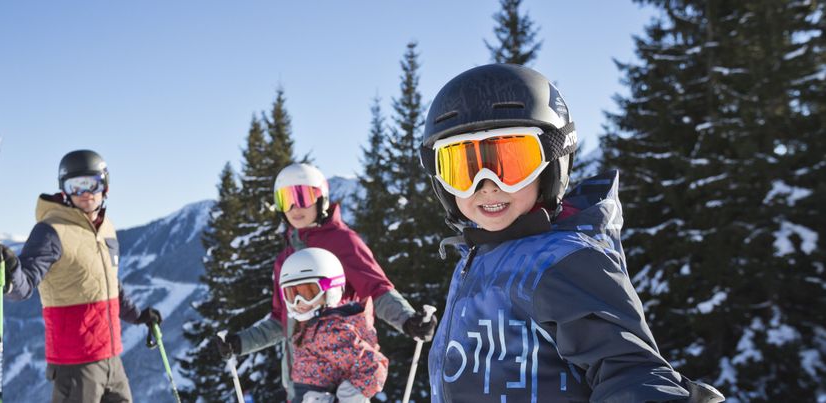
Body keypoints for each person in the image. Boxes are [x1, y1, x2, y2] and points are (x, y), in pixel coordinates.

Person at [418, 64, 725, 402]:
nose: (487, 185)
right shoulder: (477, 257)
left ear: (552, 163)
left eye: (512, 163)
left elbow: (628, 370)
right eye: (463, 168)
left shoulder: (563, 261)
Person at [210, 162, 438, 400]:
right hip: (300, 382)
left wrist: (407, 320)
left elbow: (376, 290)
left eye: (303, 197)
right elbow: (282, 320)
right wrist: (240, 343)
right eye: (285, 199)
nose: (294, 207)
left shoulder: (342, 241)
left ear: (321, 199)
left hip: (343, 383)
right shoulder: (285, 259)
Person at [0, 149, 162, 403]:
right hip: (76, 364)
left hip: (112, 359)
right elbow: (25, 285)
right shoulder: (51, 231)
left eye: (92, 184)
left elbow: (110, 283)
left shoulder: (107, 228)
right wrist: (11, 272)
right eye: (76, 186)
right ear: (65, 190)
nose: (85, 193)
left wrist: (137, 315)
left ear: (105, 187)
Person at [280, 247, 388, 403]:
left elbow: (374, 367)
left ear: (331, 289)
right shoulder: (312, 325)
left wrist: (347, 398)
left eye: (308, 293)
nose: (299, 302)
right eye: (292, 294)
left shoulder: (332, 330)